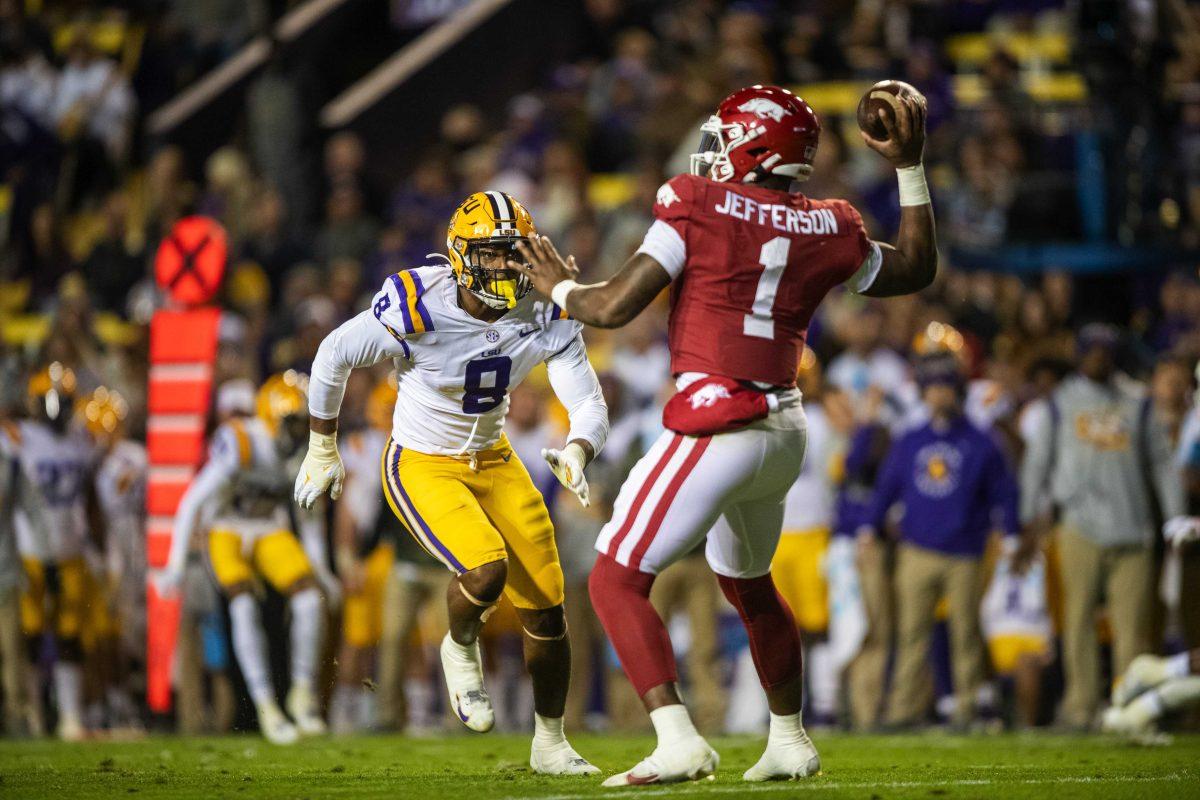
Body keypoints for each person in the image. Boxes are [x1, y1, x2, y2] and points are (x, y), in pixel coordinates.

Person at [520, 83, 938, 784]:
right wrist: (911, 165)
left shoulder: (696, 200)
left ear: (753, 146)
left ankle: (678, 738)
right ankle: (790, 739)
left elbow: (615, 307)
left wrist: (556, 288)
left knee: (615, 580)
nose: (710, 149)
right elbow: (915, 269)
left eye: (725, 136)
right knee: (748, 584)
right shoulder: (829, 223)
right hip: (783, 428)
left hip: (719, 418)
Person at [293, 191, 609, 775]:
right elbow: (334, 353)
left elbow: (586, 398)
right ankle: (459, 646)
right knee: (486, 569)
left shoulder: (544, 308)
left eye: (514, 254)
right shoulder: (420, 304)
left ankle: (551, 743)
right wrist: (322, 445)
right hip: (421, 460)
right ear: (462, 255)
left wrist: (578, 448)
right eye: (492, 255)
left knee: (547, 609)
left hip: (494, 457)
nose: (506, 267)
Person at [1019, 324, 1187, 728]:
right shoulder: (1060, 401)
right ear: (1079, 354)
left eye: (1104, 350)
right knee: (1076, 623)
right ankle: (1081, 707)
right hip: (1077, 526)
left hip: (1135, 528)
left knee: (1132, 630)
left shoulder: (1138, 402)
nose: (1098, 357)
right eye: (1090, 350)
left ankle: (1130, 708)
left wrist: (1175, 518)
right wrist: (1028, 518)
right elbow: (1037, 463)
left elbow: (1162, 465)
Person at [159, 372, 332, 745]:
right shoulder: (241, 440)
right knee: (242, 606)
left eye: (306, 422)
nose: (302, 430)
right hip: (226, 528)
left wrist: (323, 571)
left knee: (308, 600)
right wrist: (174, 563)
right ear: (272, 418)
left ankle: (302, 693)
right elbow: (193, 500)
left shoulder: (303, 448)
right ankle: (266, 705)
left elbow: (307, 514)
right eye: (295, 422)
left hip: (269, 527)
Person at [861, 352, 1022, 728]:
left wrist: (1011, 533)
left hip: (966, 551)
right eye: (932, 388)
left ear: (959, 391)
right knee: (911, 636)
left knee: (965, 635)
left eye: (946, 388)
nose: (939, 396)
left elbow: (1005, 491)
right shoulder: (911, 439)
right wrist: (869, 526)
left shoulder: (982, 440)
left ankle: (966, 709)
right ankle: (903, 711)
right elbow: (887, 487)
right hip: (916, 550)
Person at [11, 363, 104, 740]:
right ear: (32, 403)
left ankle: (69, 717)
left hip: (70, 548)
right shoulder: (18, 437)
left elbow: (91, 496)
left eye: (61, 400)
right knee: (31, 633)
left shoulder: (83, 439)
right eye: (47, 400)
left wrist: (97, 544)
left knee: (69, 635)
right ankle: (32, 715)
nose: (55, 408)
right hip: (29, 547)